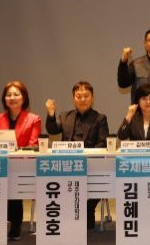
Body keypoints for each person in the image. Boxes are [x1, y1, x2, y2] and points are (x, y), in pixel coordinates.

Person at [0, 80, 41, 241]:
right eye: (8, 95)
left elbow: (33, 145)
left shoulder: (34, 119)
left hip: (23, 166)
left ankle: (15, 223)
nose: (12, 97)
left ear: (24, 98)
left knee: (12, 178)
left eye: (16, 94)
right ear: (4, 99)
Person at [45, 81, 109, 229]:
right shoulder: (65, 116)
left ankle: (88, 208)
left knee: (100, 178)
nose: (82, 99)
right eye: (78, 96)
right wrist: (51, 114)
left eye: (86, 95)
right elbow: (53, 130)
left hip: (91, 165)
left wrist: (87, 156)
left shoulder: (100, 118)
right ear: (73, 98)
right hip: (67, 164)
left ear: (92, 98)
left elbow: (103, 143)